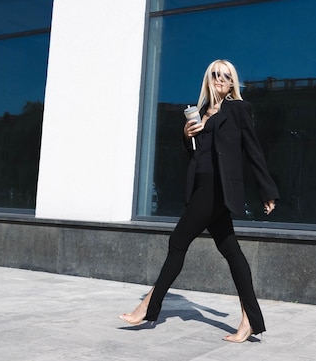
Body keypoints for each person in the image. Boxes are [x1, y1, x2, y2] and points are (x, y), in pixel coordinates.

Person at [119, 59, 279, 343]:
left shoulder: (238, 109)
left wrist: (267, 189)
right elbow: (196, 155)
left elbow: (253, 151)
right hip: (201, 186)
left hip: (217, 188)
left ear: (232, 82)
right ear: (209, 79)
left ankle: (147, 307)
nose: (220, 80)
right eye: (216, 75)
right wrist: (186, 135)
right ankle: (250, 321)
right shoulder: (200, 112)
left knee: (178, 242)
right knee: (231, 250)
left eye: (226, 76)